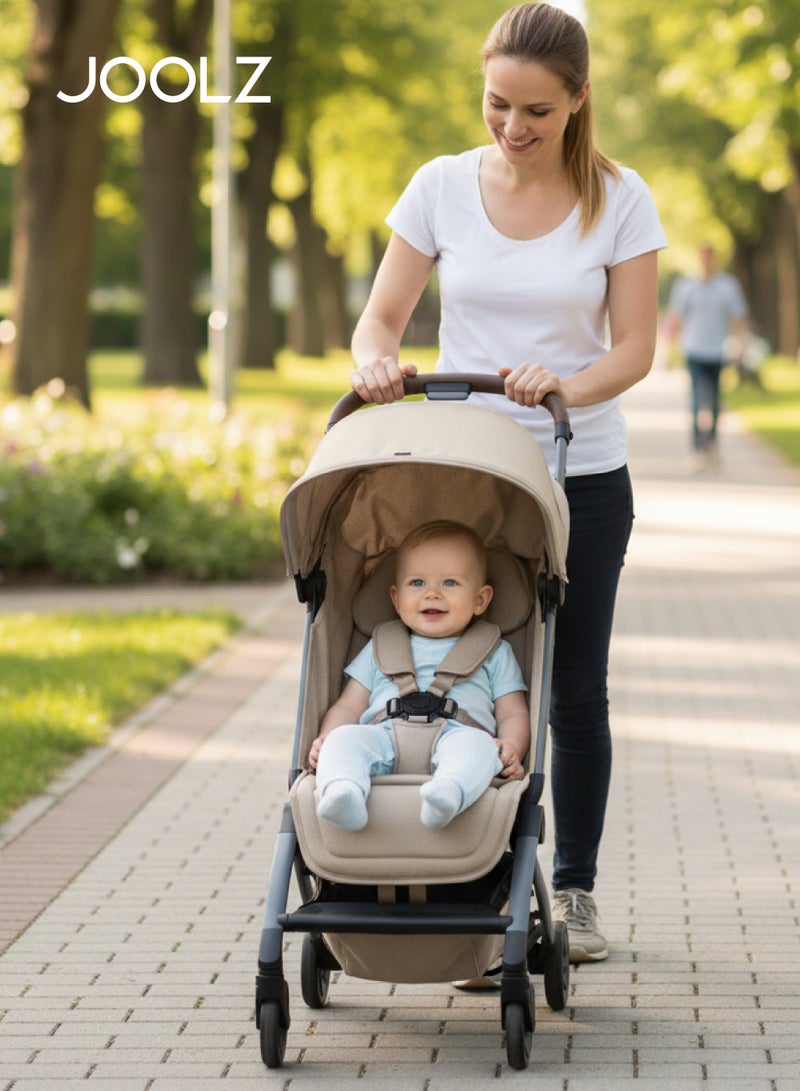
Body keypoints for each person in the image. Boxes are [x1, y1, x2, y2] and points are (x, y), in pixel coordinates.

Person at [345, 3, 667, 961]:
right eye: (496, 104)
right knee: (465, 675)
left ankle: (573, 894)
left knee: (572, 691)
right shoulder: (440, 187)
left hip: (580, 472)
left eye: (535, 110)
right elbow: (382, 318)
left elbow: (639, 348)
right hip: (470, 474)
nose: (513, 128)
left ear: (577, 101)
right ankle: (469, 878)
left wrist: (565, 383)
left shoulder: (621, 198)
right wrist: (375, 362)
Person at [310, 521, 530, 831]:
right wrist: (327, 738)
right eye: (416, 583)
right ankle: (343, 792)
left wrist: (511, 746)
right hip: (384, 736)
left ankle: (448, 793)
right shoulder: (381, 645)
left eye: (450, 583)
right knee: (344, 740)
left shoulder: (495, 650)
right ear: (396, 598)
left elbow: (514, 710)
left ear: (480, 599)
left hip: (459, 735)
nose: (432, 594)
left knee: (482, 749)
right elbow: (348, 707)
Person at [665, 244, 749, 468]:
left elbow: (738, 317)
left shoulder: (727, 286)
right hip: (693, 350)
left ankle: (711, 444)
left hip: (717, 351)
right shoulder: (686, 286)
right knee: (695, 400)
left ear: (714, 260)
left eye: (710, 259)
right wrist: (667, 349)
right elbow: (675, 318)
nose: (706, 263)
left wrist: (741, 345)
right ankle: (696, 449)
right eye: (703, 259)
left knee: (714, 401)